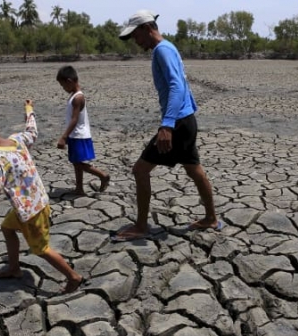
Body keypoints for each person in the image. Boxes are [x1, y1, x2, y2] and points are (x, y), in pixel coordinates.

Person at [0, 100, 84, 293]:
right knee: (7, 228)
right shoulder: (17, 139)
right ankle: (14, 268)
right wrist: (29, 111)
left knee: (41, 249)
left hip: (31, 212)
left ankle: (73, 276)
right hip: (35, 203)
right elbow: (32, 131)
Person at [112, 9, 221, 242]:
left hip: (179, 123)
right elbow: (182, 85)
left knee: (140, 170)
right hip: (186, 119)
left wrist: (167, 125)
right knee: (194, 170)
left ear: (146, 28)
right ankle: (211, 217)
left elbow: (176, 86)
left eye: (136, 35)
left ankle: (141, 226)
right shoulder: (168, 48)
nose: (135, 41)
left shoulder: (162, 50)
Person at [56, 65, 110, 196]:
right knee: (76, 163)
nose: (64, 89)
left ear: (69, 81)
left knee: (78, 163)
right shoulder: (73, 95)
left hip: (79, 135)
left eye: (63, 86)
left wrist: (64, 136)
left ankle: (102, 175)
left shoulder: (78, 98)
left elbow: (74, 119)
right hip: (76, 135)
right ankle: (79, 188)